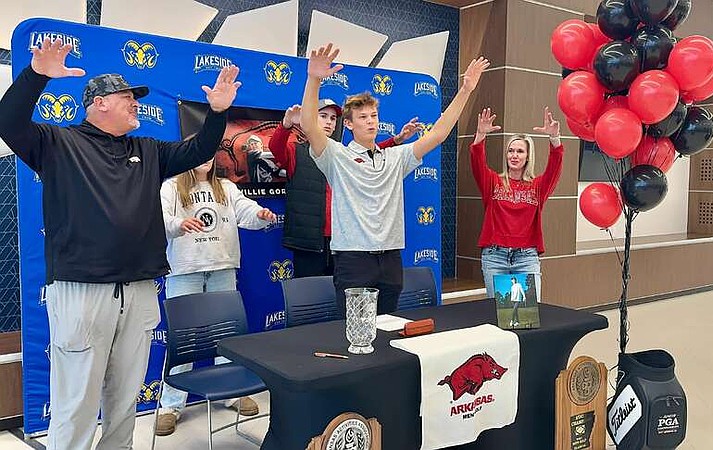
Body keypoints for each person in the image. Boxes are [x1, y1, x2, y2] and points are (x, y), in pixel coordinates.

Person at [0, 37, 240, 450]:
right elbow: (8, 123)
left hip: (139, 289)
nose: (135, 103)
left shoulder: (148, 150)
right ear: (98, 104)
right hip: (82, 292)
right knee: (76, 402)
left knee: (125, 399)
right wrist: (36, 74)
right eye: (126, 96)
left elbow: (199, 148)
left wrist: (217, 113)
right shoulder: (57, 143)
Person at [300, 43, 489, 315]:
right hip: (354, 259)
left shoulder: (395, 157)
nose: (370, 121)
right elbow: (309, 125)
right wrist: (314, 79)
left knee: (388, 329)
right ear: (349, 124)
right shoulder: (336, 156)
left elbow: (437, 134)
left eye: (374, 116)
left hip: (390, 259)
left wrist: (465, 90)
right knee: (357, 333)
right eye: (362, 117)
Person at [155, 157, 276, 436]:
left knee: (227, 337)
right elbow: (159, 220)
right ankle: (171, 406)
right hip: (185, 270)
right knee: (182, 340)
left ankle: (231, 393)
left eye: (211, 154)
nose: (206, 159)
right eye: (200, 152)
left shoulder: (225, 187)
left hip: (222, 267)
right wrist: (178, 224)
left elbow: (245, 210)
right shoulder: (172, 187)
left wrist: (259, 215)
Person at [269, 99, 423, 278]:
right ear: (311, 119)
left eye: (333, 118)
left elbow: (370, 155)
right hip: (309, 242)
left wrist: (396, 141)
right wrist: (286, 124)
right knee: (310, 298)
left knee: (343, 295)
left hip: (344, 242)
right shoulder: (296, 151)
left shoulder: (343, 153)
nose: (329, 122)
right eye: (323, 116)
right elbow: (275, 148)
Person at [470, 106, 563, 303]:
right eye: (511, 150)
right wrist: (480, 135)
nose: (514, 155)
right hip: (495, 257)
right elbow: (477, 162)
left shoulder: (538, 186)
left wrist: (554, 140)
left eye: (520, 151)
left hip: (526, 258)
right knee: (499, 316)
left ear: (528, 156)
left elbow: (554, 169)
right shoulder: (493, 182)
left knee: (526, 317)